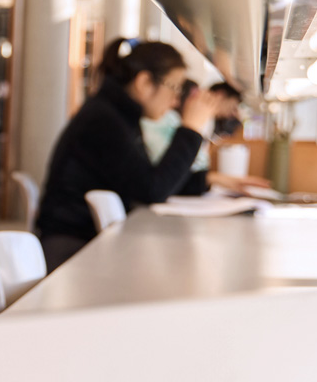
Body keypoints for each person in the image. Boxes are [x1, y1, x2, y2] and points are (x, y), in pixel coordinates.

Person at [36, 39, 222, 271]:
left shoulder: (117, 115)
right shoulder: (105, 121)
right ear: (144, 82)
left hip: (85, 239)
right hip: (71, 248)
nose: (176, 100)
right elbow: (151, 190)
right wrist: (191, 129)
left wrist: (207, 180)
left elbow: (150, 179)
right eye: (174, 88)